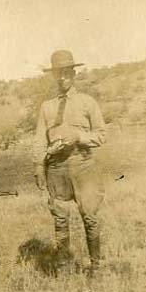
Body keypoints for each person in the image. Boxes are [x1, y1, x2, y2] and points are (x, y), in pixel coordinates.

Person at [34, 50, 106, 276]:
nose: (63, 78)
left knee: (90, 216)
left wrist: (79, 137)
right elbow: (38, 140)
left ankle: (96, 265)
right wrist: (38, 166)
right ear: (54, 75)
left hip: (83, 165)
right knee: (60, 218)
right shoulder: (47, 106)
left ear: (74, 74)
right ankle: (64, 265)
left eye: (67, 73)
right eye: (59, 73)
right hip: (57, 169)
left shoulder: (87, 102)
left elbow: (102, 135)